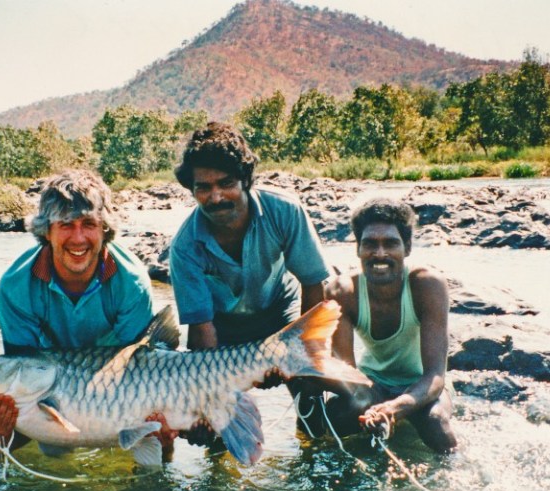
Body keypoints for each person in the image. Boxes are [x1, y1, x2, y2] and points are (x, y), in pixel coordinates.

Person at [0, 169, 175, 456]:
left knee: (161, 440)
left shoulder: (131, 281)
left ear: (104, 228)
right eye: (65, 224)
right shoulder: (16, 286)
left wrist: (153, 421)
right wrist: (3, 414)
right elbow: (22, 368)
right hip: (51, 383)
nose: (78, 238)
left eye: (88, 223)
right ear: (47, 231)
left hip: (118, 379)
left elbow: (142, 364)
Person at [169, 122, 333, 441]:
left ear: (245, 179)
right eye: (203, 187)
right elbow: (202, 330)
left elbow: (313, 284)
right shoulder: (184, 247)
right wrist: (211, 398)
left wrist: (307, 351)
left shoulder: (284, 211)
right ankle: (219, 478)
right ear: (192, 190)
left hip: (279, 313)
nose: (216, 197)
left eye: (226, 183)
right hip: (222, 328)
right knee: (207, 427)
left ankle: (314, 451)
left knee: (310, 383)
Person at [321, 198, 457, 453]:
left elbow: (435, 376)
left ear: (406, 248)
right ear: (358, 249)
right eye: (370, 244)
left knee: (435, 423)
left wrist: (397, 407)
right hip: (373, 381)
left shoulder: (427, 285)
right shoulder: (342, 291)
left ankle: (456, 475)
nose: (380, 253)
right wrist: (372, 405)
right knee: (337, 415)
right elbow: (346, 371)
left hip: (421, 383)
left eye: (391, 243)